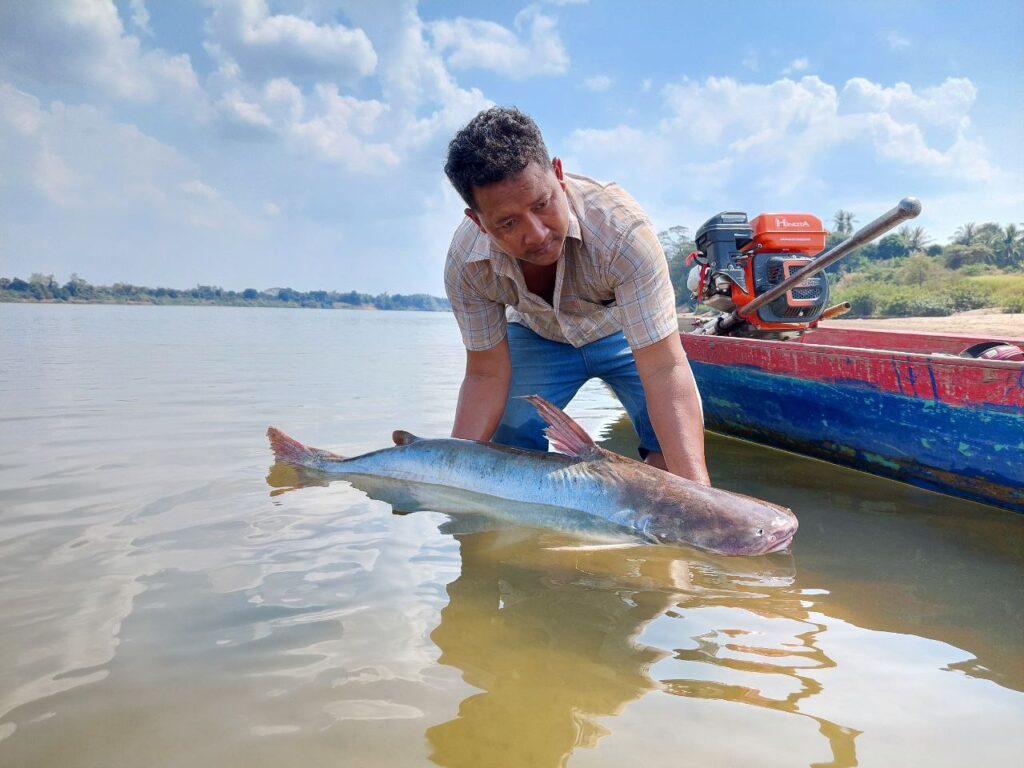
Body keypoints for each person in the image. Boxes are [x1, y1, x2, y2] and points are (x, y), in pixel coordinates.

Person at [442, 106, 709, 485]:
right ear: (477, 222)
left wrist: (700, 497)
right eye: (507, 222)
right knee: (508, 430)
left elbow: (664, 368)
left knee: (673, 433)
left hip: (623, 334)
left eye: (542, 204)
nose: (535, 234)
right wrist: (450, 477)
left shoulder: (622, 233)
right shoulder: (468, 263)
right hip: (538, 334)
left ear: (559, 176)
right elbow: (485, 375)